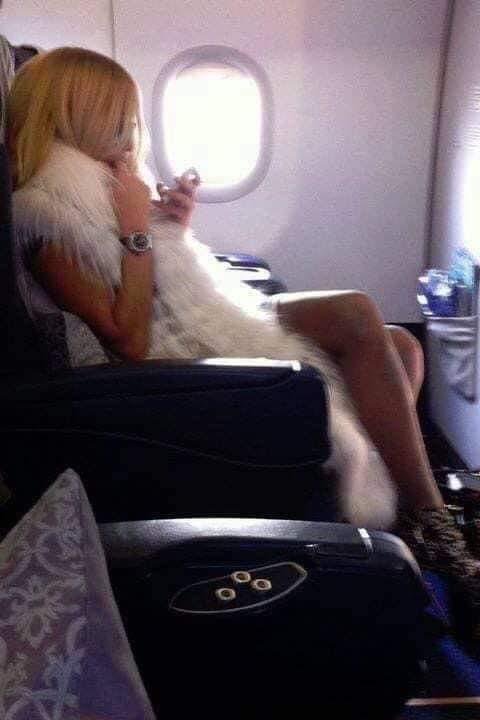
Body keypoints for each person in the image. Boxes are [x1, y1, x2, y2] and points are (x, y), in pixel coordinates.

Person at [6, 47, 480, 639]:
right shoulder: (46, 214)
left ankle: (398, 502)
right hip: (155, 372)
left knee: (399, 345)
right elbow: (127, 339)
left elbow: (164, 284)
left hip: (199, 318)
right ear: (79, 116)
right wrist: (136, 229)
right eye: (118, 116)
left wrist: (171, 226)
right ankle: (431, 525)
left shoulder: (100, 187)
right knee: (361, 322)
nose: (129, 131)